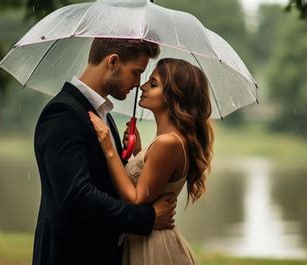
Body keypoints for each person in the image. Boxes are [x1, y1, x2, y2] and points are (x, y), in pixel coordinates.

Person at [32, 39, 177, 265]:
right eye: (136, 72)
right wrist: (147, 219)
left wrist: (131, 159)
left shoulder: (104, 116)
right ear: (113, 62)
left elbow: (103, 182)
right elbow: (78, 197)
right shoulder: (63, 114)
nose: (139, 83)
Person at [89, 58, 214, 265]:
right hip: (143, 239)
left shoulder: (168, 143)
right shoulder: (167, 141)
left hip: (154, 247)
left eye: (153, 84)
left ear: (174, 97)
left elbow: (136, 200)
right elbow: (151, 185)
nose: (143, 86)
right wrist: (137, 153)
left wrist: (109, 149)